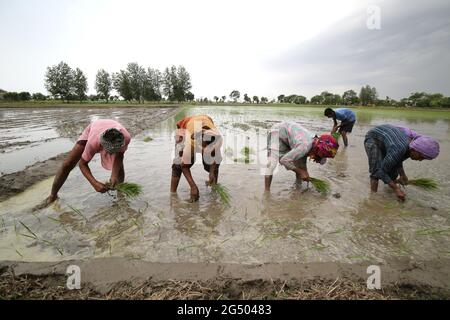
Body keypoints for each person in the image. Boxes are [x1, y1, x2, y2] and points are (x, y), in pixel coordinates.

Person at [41, 119, 131, 206]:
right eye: (111, 151)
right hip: (94, 129)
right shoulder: (93, 142)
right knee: (68, 164)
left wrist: (114, 176)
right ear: (101, 146)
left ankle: (120, 192)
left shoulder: (125, 138)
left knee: (119, 167)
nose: (112, 153)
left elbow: (119, 156)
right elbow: (82, 163)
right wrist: (94, 183)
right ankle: (53, 196)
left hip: (110, 129)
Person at [364, 124, 440, 201]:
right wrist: (396, 188)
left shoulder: (410, 147)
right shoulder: (400, 148)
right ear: (415, 150)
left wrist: (402, 175)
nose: (420, 160)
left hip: (388, 141)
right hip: (373, 139)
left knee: (392, 173)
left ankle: (388, 190)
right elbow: (380, 171)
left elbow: (397, 159)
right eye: (421, 157)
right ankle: (373, 198)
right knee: (376, 171)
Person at [264, 122, 339, 191]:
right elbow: (283, 160)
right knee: (271, 164)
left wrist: (304, 172)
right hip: (277, 133)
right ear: (317, 150)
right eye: (319, 157)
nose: (317, 161)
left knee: (301, 167)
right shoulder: (304, 147)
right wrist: (300, 172)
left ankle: (298, 189)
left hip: (291, 135)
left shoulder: (318, 142)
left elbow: (303, 164)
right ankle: (266, 192)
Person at [170, 115, 222, 202]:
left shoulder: (217, 140)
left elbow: (215, 158)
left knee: (214, 165)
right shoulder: (191, 141)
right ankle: (172, 195)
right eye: (204, 149)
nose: (205, 152)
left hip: (204, 120)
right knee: (178, 165)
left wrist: (212, 172)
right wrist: (193, 186)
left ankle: (214, 188)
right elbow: (184, 166)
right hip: (186, 128)